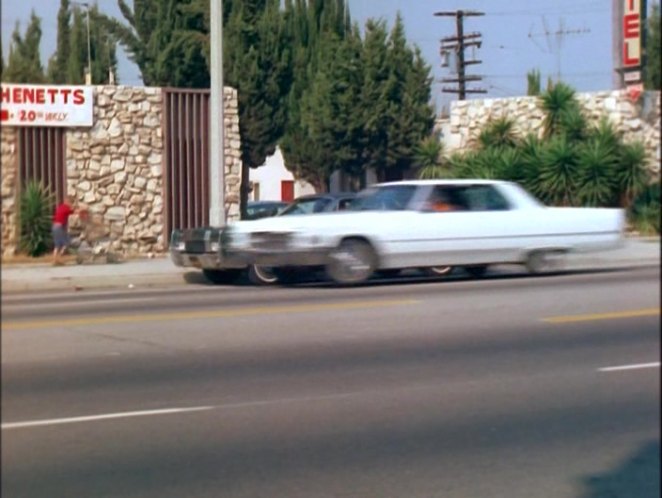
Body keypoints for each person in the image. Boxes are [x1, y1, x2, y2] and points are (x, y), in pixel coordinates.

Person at [52, 194, 84, 266]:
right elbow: (75, 212)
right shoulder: (66, 208)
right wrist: (81, 209)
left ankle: (55, 260)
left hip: (55, 226)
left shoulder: (61, 207)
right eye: (71, 203)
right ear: (69, 202)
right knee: (66, 243)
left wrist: (74, 207)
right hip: (60, 227)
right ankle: (60, 258)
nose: (71, 204)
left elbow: (70, 211)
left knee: (57, 245)